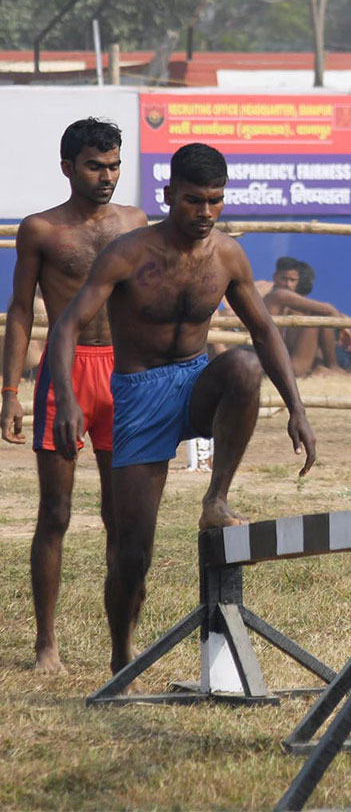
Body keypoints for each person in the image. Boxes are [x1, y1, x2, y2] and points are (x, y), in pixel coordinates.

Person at [46, 143, 316, 675]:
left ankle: (216, 498)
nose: (206, 212)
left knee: (240, 364)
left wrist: (297, 409)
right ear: (169, 196)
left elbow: (264, 331)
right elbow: (67, 326)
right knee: (132, 552)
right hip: (140, 393)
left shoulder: (228, 255)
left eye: (216, 201)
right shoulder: (128, 253)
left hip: (194, 381)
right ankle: (122, 653)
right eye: (194, 201)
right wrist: (68, 399)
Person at [1, 119, 146, 674]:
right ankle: (46, 644)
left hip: (124, 374)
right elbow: (20, 310)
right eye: (94, 166)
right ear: (68, 168)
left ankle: (124, 640)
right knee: (55, 512)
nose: (106, 176)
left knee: (123, 513)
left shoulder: (134, 222)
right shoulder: (40, 229)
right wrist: (10, 391)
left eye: (113, 165)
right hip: (64, 375)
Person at [262, 256, 351, 376]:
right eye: (284, 279)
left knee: (311, 314)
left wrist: (343, 320)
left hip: (283, 362)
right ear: (275, 277)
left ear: (298, 282)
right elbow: (327, 309)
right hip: (283, 368)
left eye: (293, 280)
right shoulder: (279, 295)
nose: (288, 284)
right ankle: (332, 366)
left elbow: (324, 309)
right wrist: (343, 327)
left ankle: (324, 366)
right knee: (319, 316)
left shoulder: (285, 300)